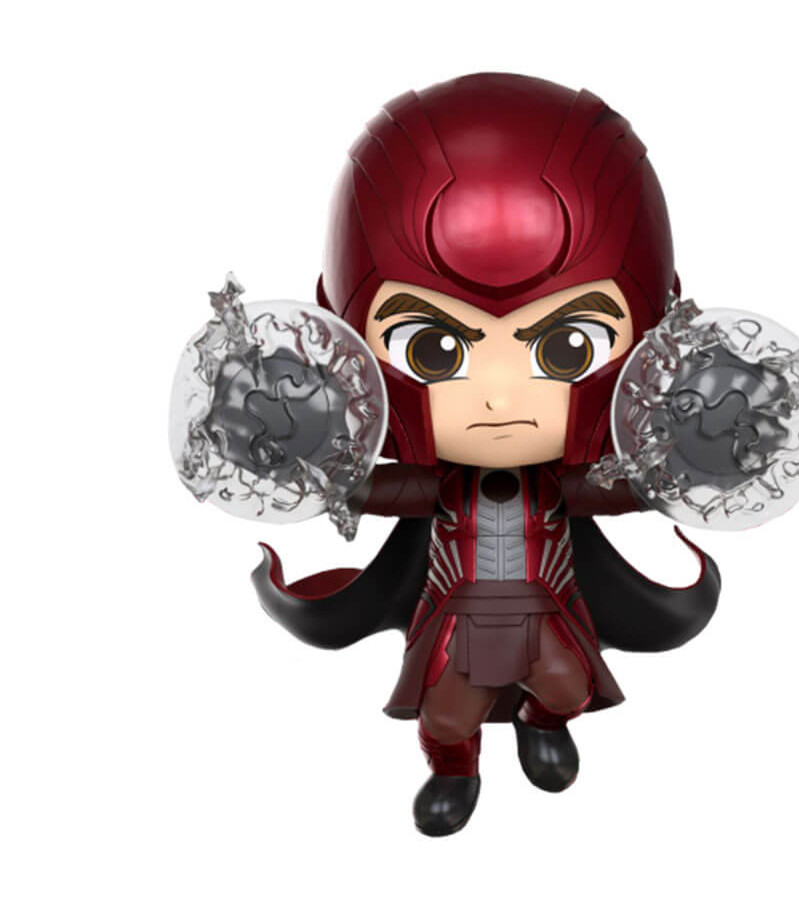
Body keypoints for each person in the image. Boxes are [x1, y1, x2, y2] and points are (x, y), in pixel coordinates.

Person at [253, 73, 720, 836]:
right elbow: (377, 491)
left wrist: (690, 466)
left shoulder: (561, 486)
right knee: (446, 713)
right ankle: (455, 768)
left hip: (545, 611)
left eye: (565, 347)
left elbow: (621, 490)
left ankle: (542, 722)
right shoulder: (439, 489)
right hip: (458, 619)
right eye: (434, 349)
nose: (500, 399)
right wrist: (305, 462)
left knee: (568, 690)